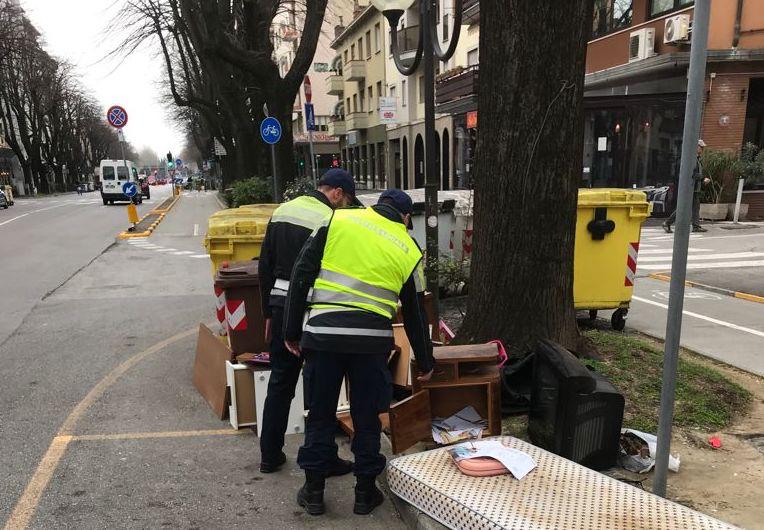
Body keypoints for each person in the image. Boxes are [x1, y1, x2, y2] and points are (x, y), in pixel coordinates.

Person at [283, 189, 434, 517]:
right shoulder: (408, 247)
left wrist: (292, 332)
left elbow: (300, 274)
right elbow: (415, 312)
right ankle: (365, 493)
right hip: (370, 345)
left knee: (320, 414)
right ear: (405, 218)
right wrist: (425, 361)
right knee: (367, 418)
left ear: (377, 205)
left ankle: (313, 492)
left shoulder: (339, 218)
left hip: (324, 337)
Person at [258, 168, 360, 476]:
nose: (346, 207)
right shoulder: (330, 220)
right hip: (314, 311)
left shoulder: (282, 210)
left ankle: (269, 454)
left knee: (280, 382)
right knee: (320, 387)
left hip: (279, 307)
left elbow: (264, 266)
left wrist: (266, 312)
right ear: (337, 193)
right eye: (347, 201)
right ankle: (322, 456)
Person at [663, 139, 711, 233]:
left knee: (694, 207)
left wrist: (702, 179)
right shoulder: (692, 159)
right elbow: (692, 173)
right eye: (701, 147)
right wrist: (702, 178)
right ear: (696, 147)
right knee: (683, 207)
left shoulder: (696, 159)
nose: (702, 149)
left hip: (694, 188)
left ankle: (696, 226)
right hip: (690, 187)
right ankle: (667, 222)